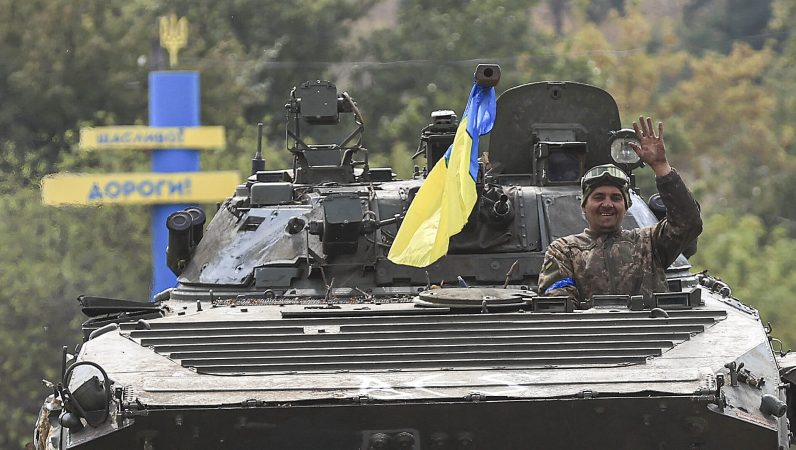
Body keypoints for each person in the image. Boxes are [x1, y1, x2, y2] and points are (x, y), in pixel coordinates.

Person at [537, 116, 702, 309]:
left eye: (615, 198)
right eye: (598, 197)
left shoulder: (649, 243)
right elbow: (560, 305)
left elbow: (688, 223)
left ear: (626, 206)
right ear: (584, 205)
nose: (607, 204)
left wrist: (660, 166)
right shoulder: (564, 250)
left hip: (650, 333)